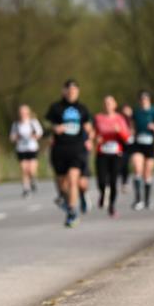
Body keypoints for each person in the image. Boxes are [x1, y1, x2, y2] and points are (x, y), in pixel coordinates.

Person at [45, 79, 94, 228]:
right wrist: (54, 128)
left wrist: (90, 138)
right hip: (59, 150)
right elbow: (45, 124)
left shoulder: (82, 109)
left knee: (74, 180)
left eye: (74, 90)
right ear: (63, 91)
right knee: (62, 185)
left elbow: (89, 127)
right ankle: (68, 202)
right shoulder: (55, 108)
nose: (71, 93)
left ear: (77, 92)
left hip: (77, 149)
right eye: (69, 90)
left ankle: (72, 212)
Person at [93, 96, 130, 218]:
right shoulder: (98, 118)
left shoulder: (120, 118)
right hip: (102, 153)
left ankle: (112, 206)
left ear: (115, 105)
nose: (107, 105)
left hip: (116, 154)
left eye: (110, 103)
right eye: (105, 103)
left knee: (114, 181)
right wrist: (96, 138)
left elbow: (127, 138)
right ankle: (103, 194)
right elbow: (93, 134)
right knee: (102, 180)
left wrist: (119, 131)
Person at [129, 91, 154, 211]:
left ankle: (147, 199)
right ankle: (138, 199)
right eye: (142, 99)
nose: (143, 101)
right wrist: (131, 132)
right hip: (138, 143)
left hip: (150, 144)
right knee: (137, 168)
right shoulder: (136, 112)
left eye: (146, 99)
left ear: (149, 100)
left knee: (147, 173)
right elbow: (131, 126)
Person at [9, 104, 43, 198]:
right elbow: (12, 137)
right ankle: (26, 189)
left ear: (28, 112)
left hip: (32, 148)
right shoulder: (16, 124)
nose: (22, 114)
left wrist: (34, 136)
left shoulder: (33, 122)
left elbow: (40, 133)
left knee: (31, 170)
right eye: (21, 112)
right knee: (24, 169)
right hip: (21, 149)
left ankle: (33, 180)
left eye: (24, 112)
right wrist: (16, 138)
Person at [119, 103, 135, 193]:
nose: (126, 112)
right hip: (124, 144)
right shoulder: (120, 120)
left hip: (133, 144)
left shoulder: (134, 119)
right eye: (125, 110)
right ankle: (124, 182)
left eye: (128, 110)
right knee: (124, 163)